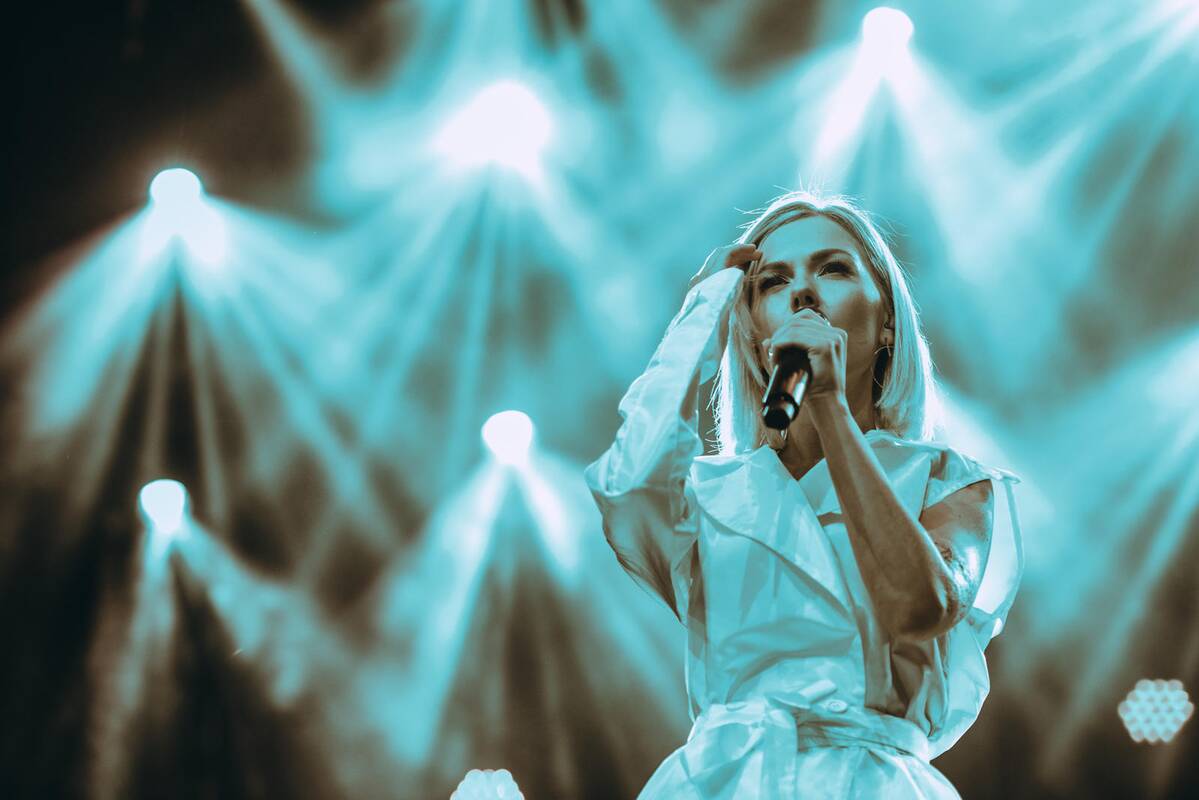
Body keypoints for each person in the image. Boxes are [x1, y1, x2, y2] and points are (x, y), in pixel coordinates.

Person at [583, 190, 1023, 798]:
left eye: (833, 269)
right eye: (773, 281)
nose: (803, 293)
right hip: (728, 781)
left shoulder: (947, 479)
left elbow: (921, 607)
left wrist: (830, 407)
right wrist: (701, 316)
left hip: (871, 780)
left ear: (887, 321)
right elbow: (627, 487)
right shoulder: (712, 493)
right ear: (753, 330)